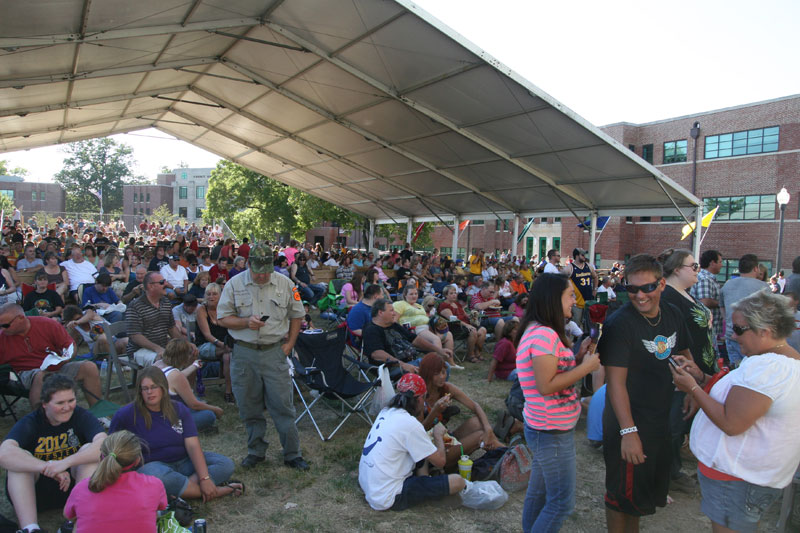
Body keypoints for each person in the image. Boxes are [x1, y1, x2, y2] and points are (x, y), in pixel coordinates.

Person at [670, 291, 800, 532]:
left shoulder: (767, 367)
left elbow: (732, 423)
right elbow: (744, 400)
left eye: (740, 329)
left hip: (736, 479)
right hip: (747, 477)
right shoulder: (781, 360)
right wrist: (702, 378)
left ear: (765, 330)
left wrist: (692, 388)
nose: (732, 335)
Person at [598, 254, 692, 532]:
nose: (640, 296)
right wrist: (628, 432)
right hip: (627, 420)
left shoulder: (673, 313)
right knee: (619, 496)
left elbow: (684, 353)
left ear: (661, 284)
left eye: (647, 287)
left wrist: (692, 381)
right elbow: (615, 383)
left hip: (659, 417)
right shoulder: (620, 324)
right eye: (632, 289)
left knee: (637, 496)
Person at [514, 273, 600, 532]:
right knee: (561, 502)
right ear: (553, 299)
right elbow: (547, 385)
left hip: (546, 427)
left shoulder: (542, 333)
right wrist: (586, 367)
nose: (574, 300)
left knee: (539, 495)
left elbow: (552, 372)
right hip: (549, 430)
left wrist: (577, 355)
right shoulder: (543, 336)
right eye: (570, 295)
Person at [216, 244, 309, 471]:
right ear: (248, 264)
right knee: (249, 406)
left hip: (274, 352)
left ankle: (292, 454)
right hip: (244, 353)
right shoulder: (234, 284)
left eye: (266, 270)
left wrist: (289, 344)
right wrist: (245, 322)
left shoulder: (287, 284)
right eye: (257, 270)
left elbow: (298, 314)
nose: (261, 275)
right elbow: (222, 318)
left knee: (283, 406)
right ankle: (256, 451)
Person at [109, 368, 242, 501]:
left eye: (154, 387)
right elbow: (111, 448)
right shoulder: (125, 415)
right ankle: (218, 491)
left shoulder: (178, 408)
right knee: (154, 475)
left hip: (184, 462)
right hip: (154, 465)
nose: (150, 392)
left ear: (163, 388)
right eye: (145, 388)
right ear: (140, 391)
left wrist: (205, 478)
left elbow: (193, 446)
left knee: (225, 464)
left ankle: (177, 491)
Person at [0, 375, 105, 533]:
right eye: (60, 403)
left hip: (72, 487)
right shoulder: (32, 422)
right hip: (36, 491)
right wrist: (47, 466)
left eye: (71, 400)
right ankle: (30, 528)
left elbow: (104, 444)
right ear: (44, 404)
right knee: (19, 461)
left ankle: (77, 520)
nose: (67, 407)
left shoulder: (80, 415)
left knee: (90, 451)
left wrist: (66, 463)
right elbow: (4, 453)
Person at [358, 373, 466, 511]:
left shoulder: (385, 411)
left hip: (369, 484)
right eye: (425, 397)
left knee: (421, 452)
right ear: (420, 399)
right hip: (388, 495)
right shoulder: (410, 424)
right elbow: (440, 461)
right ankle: (432, 493)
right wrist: (438, 436)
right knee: (458, 481)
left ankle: (427, 484)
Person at [658, 248, 717, 491]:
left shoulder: (686, 294)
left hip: (702, 367)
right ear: (675, 270)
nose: (697, 270)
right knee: (675, 419)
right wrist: (686, 372)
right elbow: (673, 339)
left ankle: (676, 465)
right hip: (684, 371)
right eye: (692, 266)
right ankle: (670, 473)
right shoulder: (669, 297)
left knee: (684, 419)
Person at [63, 430, 167, 533]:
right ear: (137, 460)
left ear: (101, 458)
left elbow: (68, 515)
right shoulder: (154, 484)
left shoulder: (83, 487)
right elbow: (161, 506)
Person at [0, 303, 102, 407]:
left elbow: (69, 345)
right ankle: (41, 419)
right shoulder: (2, 338)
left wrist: (66, 357)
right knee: (41, 375)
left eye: (5, 325)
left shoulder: (46, 324)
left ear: (21, 318)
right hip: (25, 374)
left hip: (56, 367)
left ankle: (99, 415)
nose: (2, 329)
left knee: (89, 367)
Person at [420, 353, 501, 470]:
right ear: (427, 374)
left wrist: (488, 429)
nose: (442, 376)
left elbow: (475, 406)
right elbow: (419, 431)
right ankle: (507, 454)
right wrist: (434, 411)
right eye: (437, 374)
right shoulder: (419, 397)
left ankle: (506, 454)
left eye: (443, 372)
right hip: (435, 452)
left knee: (477, 422)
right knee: (480, 436)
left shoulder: (446, 388)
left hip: (447, 439)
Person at [364, 298, 453, 379]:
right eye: (391, 310)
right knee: (439, 369)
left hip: (411, 362)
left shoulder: (393, 325)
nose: (394, 313)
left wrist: (439, 350)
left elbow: (415, 339)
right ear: (380, 313)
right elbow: (377, 354)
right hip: (390, 368)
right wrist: (403, 365)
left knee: (444, 366)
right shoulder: (371, 330)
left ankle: (434, 394)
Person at [154, 339, 223, 432]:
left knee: (197, 400)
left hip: (156, 416)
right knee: (209, 415)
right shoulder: (176, 376)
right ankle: (178, 429)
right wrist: (216, 409)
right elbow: (194, 405)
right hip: (169, 420)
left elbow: (178, 376)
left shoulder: (157, 364)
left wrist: (194, 365)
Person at [125, 271, 185, 366]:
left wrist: (185, 345)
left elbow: (172, 328)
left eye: (165, 281)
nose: (166, 284)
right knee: (162, 361)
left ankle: (186, 381)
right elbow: (135, 336)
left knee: (190, 356)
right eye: (162, 282)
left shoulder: (166, 302)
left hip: (162, 347)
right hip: (139, 350)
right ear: (150, 286)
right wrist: (157, 349)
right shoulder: (135, 306)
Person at [720, 254, 769, 367]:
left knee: (736, 369)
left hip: (731, 334)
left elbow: (722, 307)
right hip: (753, 338)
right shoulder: (764, 287)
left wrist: (728, 321)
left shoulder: (727, 285)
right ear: (756, 268)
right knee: (753, 371)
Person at [194, 282, 234, 403]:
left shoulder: (225, 309)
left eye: (215, 294)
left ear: (220, 295)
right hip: (206, 345)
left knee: (228, 357)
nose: (211, 297)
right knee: (231, 351)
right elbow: (207, 335)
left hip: (225, 347)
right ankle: (231, 390)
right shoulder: (201, 310)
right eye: (209, 294)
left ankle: (228, 392)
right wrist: (223, 345)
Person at [438, 285, 486, 363]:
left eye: (455, 293)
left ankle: (478, 352)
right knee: (473, 331)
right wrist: (467, 325)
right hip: (455, 327)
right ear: (446, 295)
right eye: (451, 293)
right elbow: (454, 319)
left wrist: (473, 315)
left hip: (466, 324)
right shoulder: (444, 306)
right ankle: (470, 355)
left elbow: (465, 314)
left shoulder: (457, 303)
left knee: (483, 330)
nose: (454, 295)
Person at [691, 249, 724, 355]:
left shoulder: (708, 279)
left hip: (708, 329)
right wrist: (722, 303)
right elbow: (704, 302)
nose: (722, 265)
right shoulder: (705, 279)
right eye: (720, 262)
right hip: (705, 330)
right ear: (712, 263)